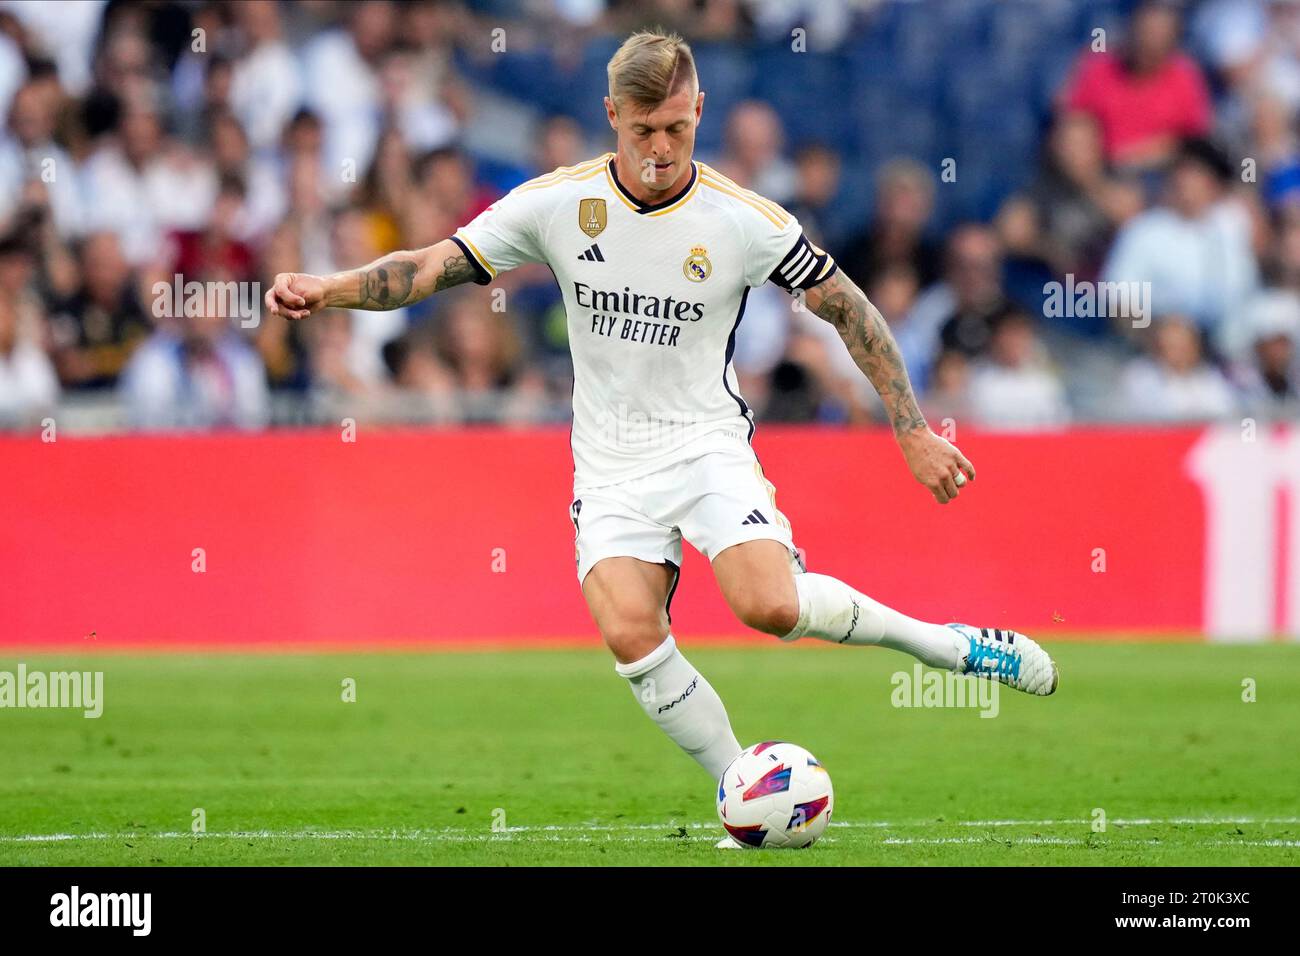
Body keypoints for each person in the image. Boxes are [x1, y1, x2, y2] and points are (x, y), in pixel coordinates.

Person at [265, 29, 1058, 846]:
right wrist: (329, 289)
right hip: (607, 463)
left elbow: (849, 308)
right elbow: (431, 267)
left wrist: (914, 429)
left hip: (704, 443)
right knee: (630, 632)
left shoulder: (741, 219)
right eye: (642, 130)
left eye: (676, 129)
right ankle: (739, 787)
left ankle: (950, 647)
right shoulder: (559, 205)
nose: (658, 149)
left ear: (699, 112)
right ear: (612, 115)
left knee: (770, 606)